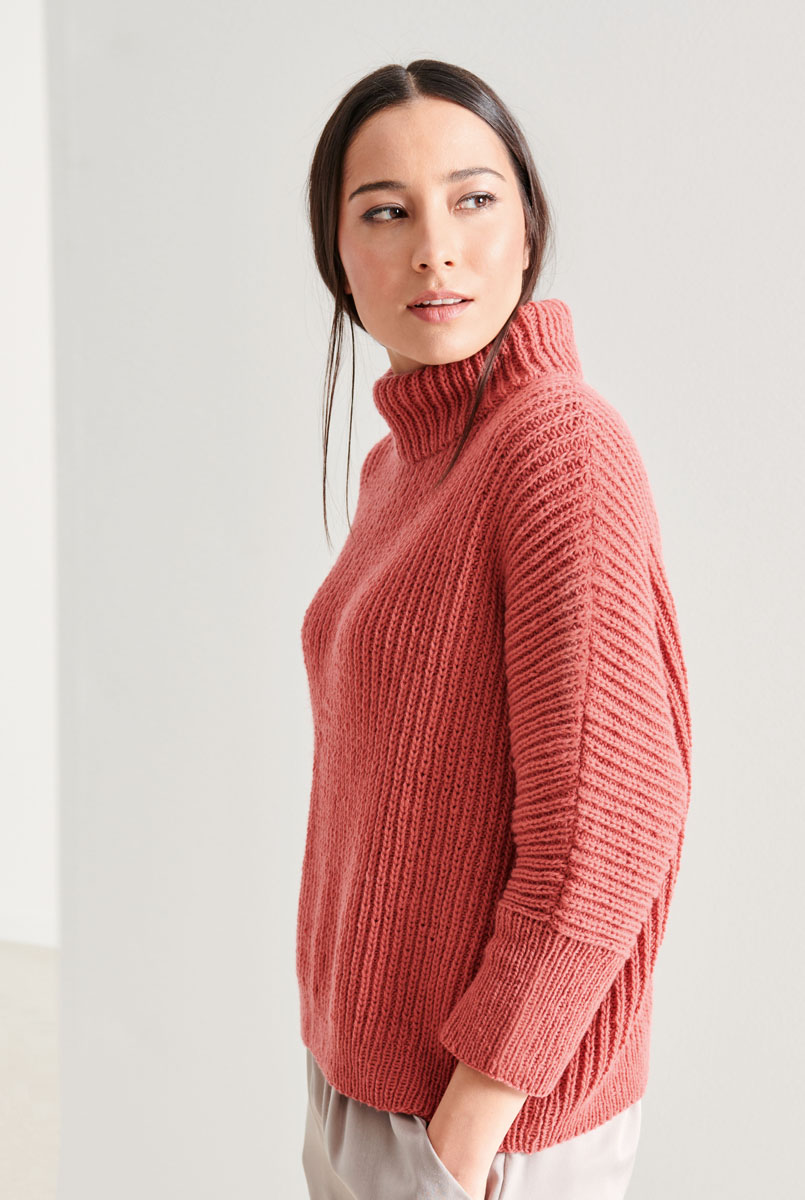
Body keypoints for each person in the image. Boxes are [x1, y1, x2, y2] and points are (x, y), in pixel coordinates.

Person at [295, 58, 692, 1200]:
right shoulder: (399, 467)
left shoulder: (557, 448)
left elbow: (614, 823)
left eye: (472, 199)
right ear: (338, 258)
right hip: (364, 1086)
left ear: (527, 232)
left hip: (484, 1125)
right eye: (386, 212)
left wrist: (471, 1119)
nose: (435, 248)